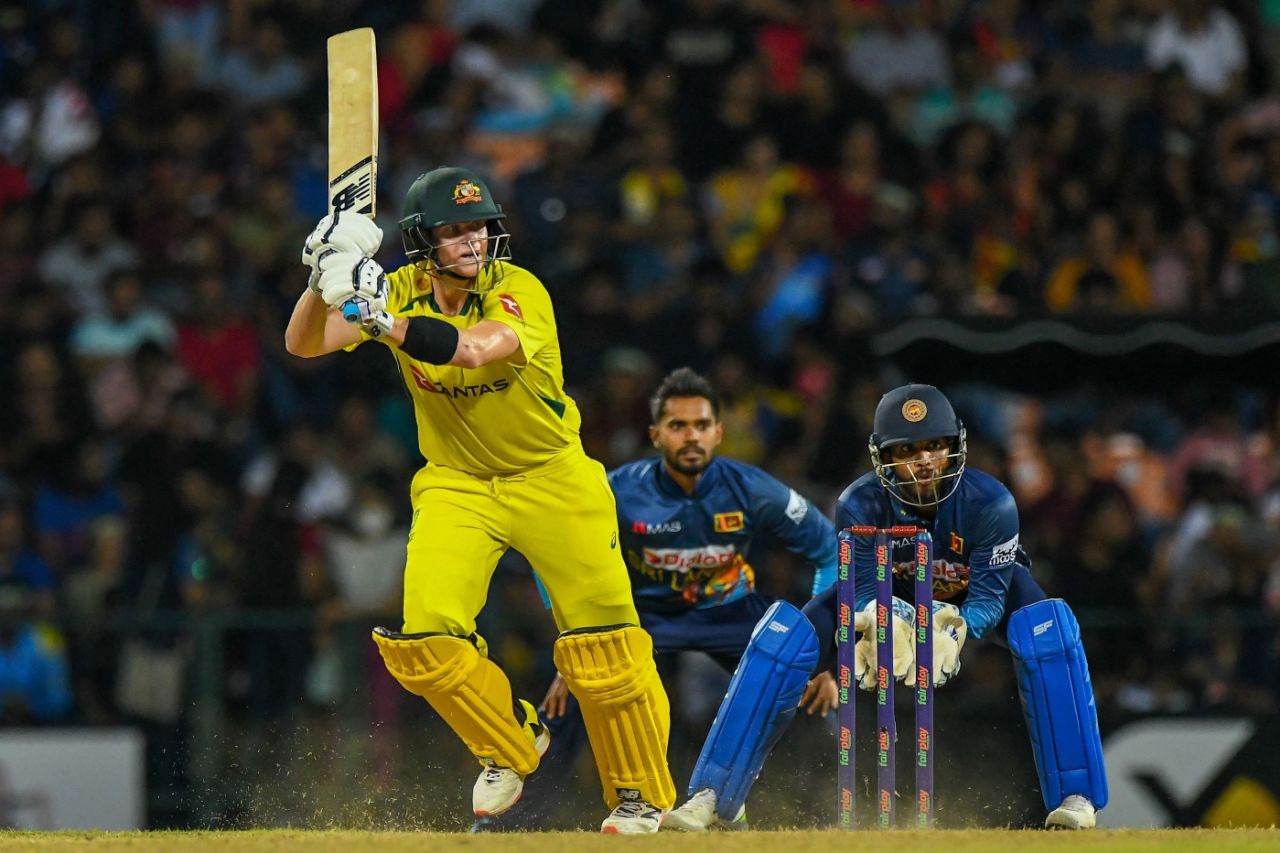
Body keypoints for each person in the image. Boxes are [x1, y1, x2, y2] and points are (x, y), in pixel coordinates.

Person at [284, 166, 676, 833]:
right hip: (457, 482)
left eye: (480, 227)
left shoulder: (518, 289)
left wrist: (387, 324)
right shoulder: (400, 289)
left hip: (553, 477)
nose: (472, 241)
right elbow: (304, 342)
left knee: (607, 647)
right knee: (425, 641)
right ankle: (510, 745)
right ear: (420, 241)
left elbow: (474, 349)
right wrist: (327, 269)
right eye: (454, 230)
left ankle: (639, 797)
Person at [663, 383, 1108, 831]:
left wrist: (956, 629)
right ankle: (714, 796)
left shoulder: (992, 503)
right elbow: (856, 589)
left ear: (956, 445)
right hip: (881, 597)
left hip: (965, 600)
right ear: (883, 457)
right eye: (908, 450)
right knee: (782, 640)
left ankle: (1077, 796)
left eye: (936, 446)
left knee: (1048, 631)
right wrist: (881, 620)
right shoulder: (859, 503)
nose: (925, 461)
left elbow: (990, 598)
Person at [474, 366, 839, 831]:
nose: (691, 436)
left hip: (730, 614)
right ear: (655, 434)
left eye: (702, 426)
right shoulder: (617, 490)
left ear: (719, 433)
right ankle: (506, 829)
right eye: (678, 426)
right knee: (566, 704)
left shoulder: (752, 488)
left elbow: (830, 550)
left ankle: (822, 825)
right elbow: (557, 558)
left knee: (810, 696)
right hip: (641, 618)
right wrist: (574, 642)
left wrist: (821, 654)